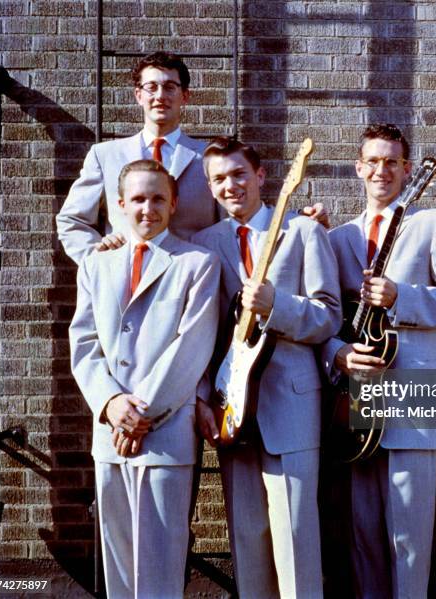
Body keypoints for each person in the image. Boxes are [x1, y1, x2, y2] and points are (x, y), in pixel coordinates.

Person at [322, 124, 436, 598]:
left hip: (413, 399)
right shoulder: (338, 238)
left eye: (392, 162)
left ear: (407, 169)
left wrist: (400, 297)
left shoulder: (432, 223)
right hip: (359, 402)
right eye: (372, 161)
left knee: (407, 537)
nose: (381, 170)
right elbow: (328, 318)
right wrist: (337, 355)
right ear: (358, 168)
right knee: (363, 533)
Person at [193, 137, 341, 598]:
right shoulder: (203, 245)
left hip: (290, 403)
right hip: (232, 404)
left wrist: (277, 304)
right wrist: (202, 397)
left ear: (260, 176)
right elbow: (198, 334)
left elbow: (328, 315)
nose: (231, 185)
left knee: (296, 534)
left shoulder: (303, 232)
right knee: (247, 535)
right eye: (219, 179)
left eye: (239, 174)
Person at [68, 159, 220, 598]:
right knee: (118, 566)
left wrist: (142, 413)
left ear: (174, 204)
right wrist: (112, 404)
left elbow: (192, 346)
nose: (148, 208)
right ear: (120, 205)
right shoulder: (97, 265)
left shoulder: (198, 263)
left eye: (158, 198)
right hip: (110, 433)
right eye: (137, 198)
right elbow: (84, 343)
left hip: (166, 431)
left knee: (160, 564)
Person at [56, 51, 328, 265]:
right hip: (127, 278)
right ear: (138, 95)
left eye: (170, 87)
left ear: (184, 96)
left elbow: (240, 212)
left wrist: (293, 220)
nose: (160, 96)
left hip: (192, 281)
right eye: (151, 87)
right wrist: (98, 258)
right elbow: (72, 221)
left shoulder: (208, 158)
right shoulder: (105, 155)